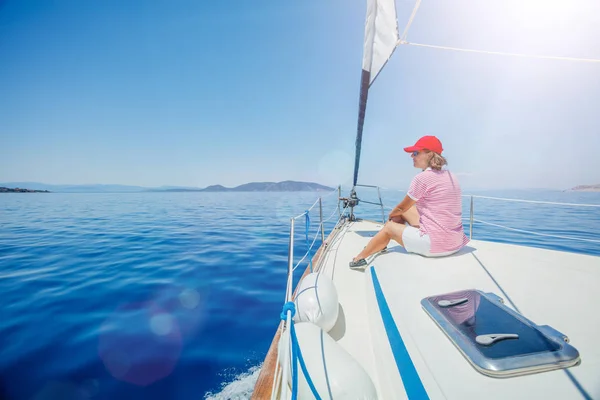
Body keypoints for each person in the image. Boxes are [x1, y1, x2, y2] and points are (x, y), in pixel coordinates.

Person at [349, 135, 469, 268]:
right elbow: (407, 209)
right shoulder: (452, 176)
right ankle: (382, 242)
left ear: (429, 155)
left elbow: (401, 208)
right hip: (456, 242)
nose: (412, 156)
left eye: (416, 153)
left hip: (435, 246)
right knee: (408, 211)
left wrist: (391, 218)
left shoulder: (422, 178)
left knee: (390, 226)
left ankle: (359, 258)